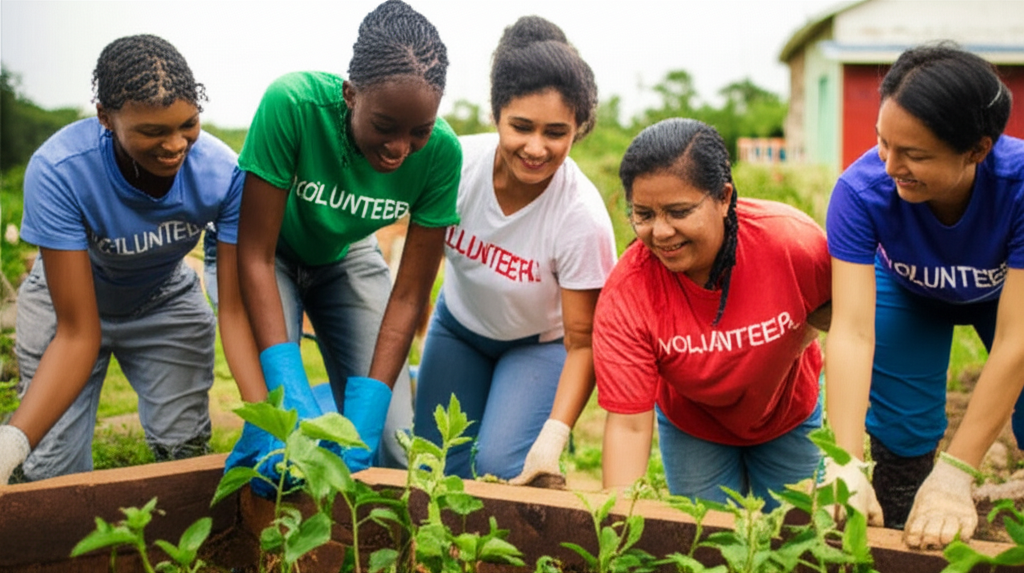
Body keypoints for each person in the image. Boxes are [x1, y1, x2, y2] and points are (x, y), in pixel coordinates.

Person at [0, 34, 263, 484]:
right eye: (153, 131)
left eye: (188, 124)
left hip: (163, 297)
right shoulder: (61, 171)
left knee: (184, 452)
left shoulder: (223, 173)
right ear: (105, 117)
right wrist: (11, 445)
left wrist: (265, 420)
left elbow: (235, 311)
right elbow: (77, 332)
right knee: (54, 474)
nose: (176, 144)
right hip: (67, 306)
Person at [226, 0, 459, 476]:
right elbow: (252, 255)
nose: (399, 149)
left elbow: (411, 292)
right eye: (384, 126)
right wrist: (288, 386)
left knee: (392, 444)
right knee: (283, 441)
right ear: (351, 94)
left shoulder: (440, 155)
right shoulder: (293, 105)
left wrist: (370, 406)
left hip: (345, 253)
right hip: (269, 253)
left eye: (419, 130)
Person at [824, 42, 1024, 548]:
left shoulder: (1018, 185)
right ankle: (897, 528)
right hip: (909, 288)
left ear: (978, 149)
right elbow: (851, 330)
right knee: (902, 422)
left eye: (914, 154)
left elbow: (1017, 339)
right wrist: (844, 461)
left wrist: (958, 471)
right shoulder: (861, 190)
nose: (891, 166)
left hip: (1001, 289)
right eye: (883, 143)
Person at [412, 15, 616, 482]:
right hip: (459, 329)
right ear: (496, 113)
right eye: (521, 126)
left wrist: (554, 435)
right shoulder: (456, 166)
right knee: (433, 465)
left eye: (555, 132)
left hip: (537, 346)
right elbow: (412, 270)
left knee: (504, 467)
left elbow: (583, 342)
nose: (536, 147)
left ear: (578, 129)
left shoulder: (580, 215)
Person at [595, 118, 831, 509]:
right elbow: (630, 426)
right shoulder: (628, 294)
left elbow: (847, 325)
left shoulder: (792, 244)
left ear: (723, 197)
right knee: (707, 550)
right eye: (644, 214)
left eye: (679, 211)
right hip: (694, 426)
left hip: (788, 414)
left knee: (800, 544)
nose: (662, 232)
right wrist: (618, 533)